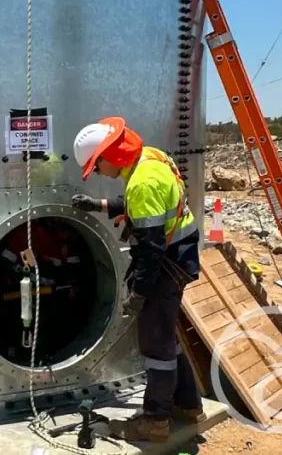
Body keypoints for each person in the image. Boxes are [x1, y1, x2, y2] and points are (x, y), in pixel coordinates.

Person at [70, 117, 203, 443]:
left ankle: (156, 421)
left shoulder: (141, 183)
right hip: (182, 254)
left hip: (166, 264)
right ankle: (188, 404)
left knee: (155, 344)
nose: (98, 173)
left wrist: (139, 295)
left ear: (110, 156)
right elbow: (149, 206)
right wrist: (101, 205)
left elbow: (151, 251)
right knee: (166, 333)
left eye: (96, 166)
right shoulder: (152, 158)